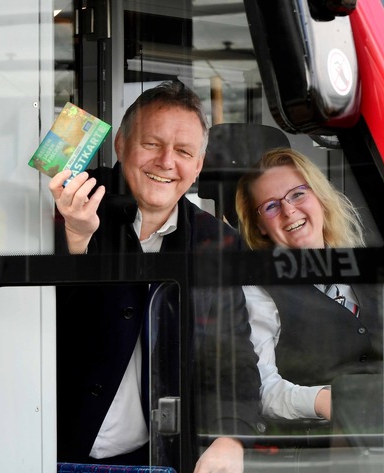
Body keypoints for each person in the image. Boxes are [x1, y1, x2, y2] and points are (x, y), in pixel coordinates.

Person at [49, 81, 264, 472]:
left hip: (155, 457)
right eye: (152, 144)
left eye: (183, 151)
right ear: (121, 145)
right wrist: (75, 240)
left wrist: (230, 437)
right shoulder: (65, 202)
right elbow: (33, 325)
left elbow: (233, 357)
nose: (167, 161)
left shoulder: (216, 242)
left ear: (198, 166)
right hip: (47, 445)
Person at [234, 147, 384, 422]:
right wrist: (328, 401)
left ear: (319, 197)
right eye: (271, 206)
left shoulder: (377, 273)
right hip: (326, 446)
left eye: (298, 194)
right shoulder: (258, 293)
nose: (289, 210)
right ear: (259, 226)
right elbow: (263, 390)